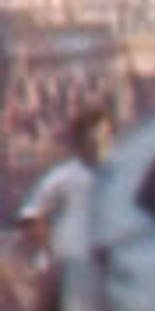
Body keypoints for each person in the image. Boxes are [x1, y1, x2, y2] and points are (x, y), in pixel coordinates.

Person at [15, 104, 114, 275]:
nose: (99, 145)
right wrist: (52, 246)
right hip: (66, 269)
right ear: (81, 142)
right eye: (92, 140)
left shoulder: (124, 175)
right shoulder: (63, 177)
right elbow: (28, 214)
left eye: (104, 138)